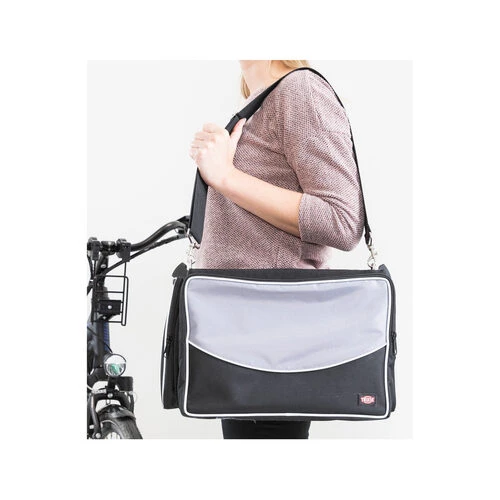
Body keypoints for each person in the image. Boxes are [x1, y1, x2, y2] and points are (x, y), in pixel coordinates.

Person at [188, 60, 365, 439]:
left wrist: (226, 177)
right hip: (238, 334)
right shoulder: (260, 103)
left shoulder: (300, 92)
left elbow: (343, 220)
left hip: (273, 338)